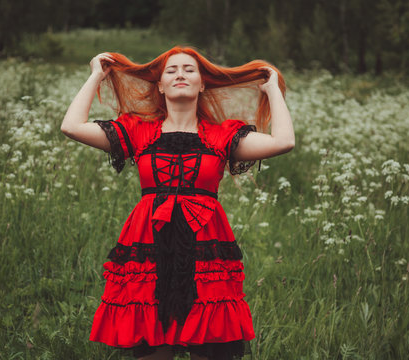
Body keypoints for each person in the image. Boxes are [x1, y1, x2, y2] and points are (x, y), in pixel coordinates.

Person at [60, 46, 294, 360]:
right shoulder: (138, 131)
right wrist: (96, 76)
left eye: (189, 69)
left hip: (205, 251)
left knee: (207, 349)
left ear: (203, 83)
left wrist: (272, 88)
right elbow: (71, 127)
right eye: (171, 70)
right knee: (153, 350)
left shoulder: (222, 136)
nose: (180, 74)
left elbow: (283, 142)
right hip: (149, 246)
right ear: (160, 85)